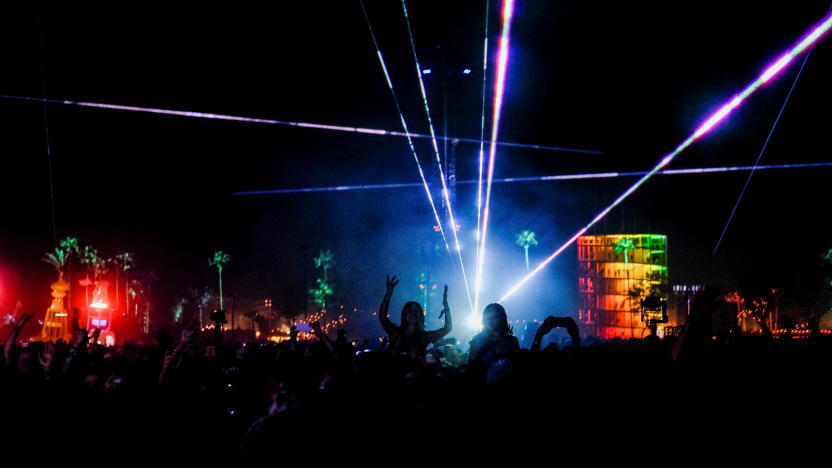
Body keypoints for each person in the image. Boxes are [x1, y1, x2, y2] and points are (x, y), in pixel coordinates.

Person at [378, 275, 452, 362]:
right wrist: (388, 294)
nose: (413, 313)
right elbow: (383, 317)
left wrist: (446, 305)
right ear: (404, 315)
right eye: (410, 310)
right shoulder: (395, 332)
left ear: (420, 315)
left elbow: (448, 328)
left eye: (416, 311)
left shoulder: (424, 337)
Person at [468, 303, 519, 383]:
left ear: (502, 318)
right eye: (487, 318)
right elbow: (472, 368)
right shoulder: (477, 340)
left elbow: (516, 367)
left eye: (494, 317)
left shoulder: (512, 341)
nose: (490, 321)